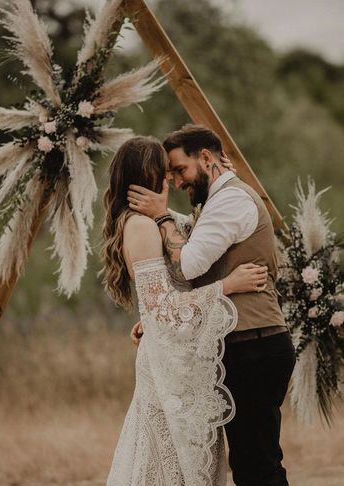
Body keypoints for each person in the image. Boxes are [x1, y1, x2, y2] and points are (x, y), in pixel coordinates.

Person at [128, 125, 296, 486]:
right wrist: (158, 316)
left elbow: (187, 263)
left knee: (258, 466)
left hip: (255, 344)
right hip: (247, 345)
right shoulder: (217, 202)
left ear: (205, 158)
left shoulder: (232, 201)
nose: (174, 181)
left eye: (179, 170)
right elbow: (193, 244)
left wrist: (160, 216)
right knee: (253, 463)